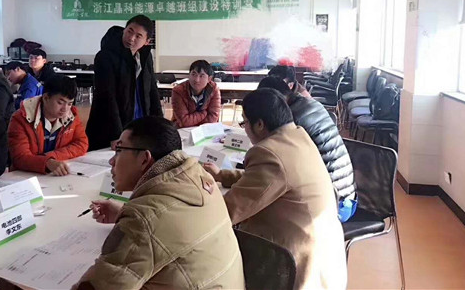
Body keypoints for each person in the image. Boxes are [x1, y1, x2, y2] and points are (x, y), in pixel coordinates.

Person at [74, 116, 244, 290]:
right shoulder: (201, 178)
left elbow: (101, 285)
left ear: (144, 159)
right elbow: (171, 222)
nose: (111, 161)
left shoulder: (142, 220)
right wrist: (123, 213)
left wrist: (135, 219)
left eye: (119, 150)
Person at [203, 88, 347, 290]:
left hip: (297, 264)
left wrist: (199, 194)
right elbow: (269, 180)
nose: (245, 128)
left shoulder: (268, 153)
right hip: (327, 255)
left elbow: (229, 211)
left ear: (260, 124)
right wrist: (222, 175)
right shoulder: (297, 135)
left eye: (245, 122)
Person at [258, 76, 356, 202]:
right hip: (346, 191)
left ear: (274, 100)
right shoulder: (310, 103)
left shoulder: (291, 120)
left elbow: (279, 162)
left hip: (334, 200)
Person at [86, 15, 163, 151]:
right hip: (111, 124)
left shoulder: (145, 56)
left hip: (139, 120)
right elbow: (107, 97)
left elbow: (152, 90)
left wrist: (160, 125)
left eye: (138, 36)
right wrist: (116, 134)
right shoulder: (105, 56)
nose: (131, 38)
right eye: (129, 31)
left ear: (147, 41)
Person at [8, 75, 88, 175]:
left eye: (69, 104)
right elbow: (20, 157)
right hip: (24, 176)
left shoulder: (71, 115)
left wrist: (51, 158)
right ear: (46, 98)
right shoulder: (21, 118)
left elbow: (81, 143)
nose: (65, 109)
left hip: (54, 175)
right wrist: (47, 162)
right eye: (60, 102)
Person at [171, 59, 221, 128]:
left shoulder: (214, 89)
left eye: (201, 76)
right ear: (189, 75)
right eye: (194, 74)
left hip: (206, 130)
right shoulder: (178, 91)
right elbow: (184, 121)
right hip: (183, 129)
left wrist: (194, 122)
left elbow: (213, 119)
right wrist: (203, 113)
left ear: (209, 79)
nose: (197, 80)